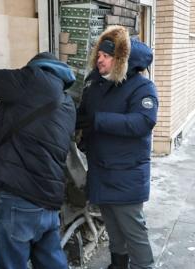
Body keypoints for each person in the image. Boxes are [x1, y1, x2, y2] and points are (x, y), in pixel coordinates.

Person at [0, 52, 76, 269]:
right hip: (49, 206)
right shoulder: (67, 103)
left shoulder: (33, 78)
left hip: (17, 200)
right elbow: (34, 136)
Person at [76, 25, 158, 269]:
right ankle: (118, 265)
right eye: (99, 54)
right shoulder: (96, 84)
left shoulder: (142, 87)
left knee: (133, 230)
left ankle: (145, 266)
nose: (99, 59)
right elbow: (84, 114)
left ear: (120, 59)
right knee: (113, 227)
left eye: (106, 55)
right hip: (101, 169)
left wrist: (98, 120)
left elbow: (144, 121)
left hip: (126, 173)